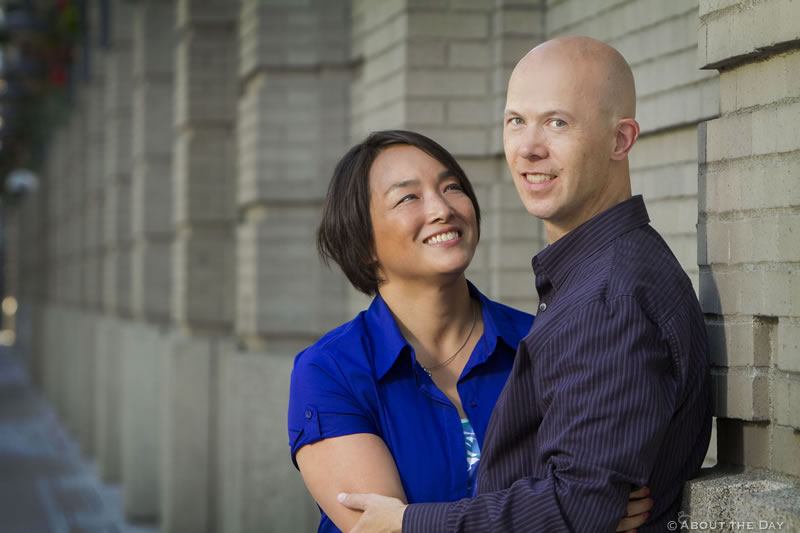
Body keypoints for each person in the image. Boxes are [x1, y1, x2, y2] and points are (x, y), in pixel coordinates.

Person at [339, 37, 712, 532]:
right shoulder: (595, 277)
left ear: (619, 141)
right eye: (516, 120)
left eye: (557, 122)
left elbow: (578, 507)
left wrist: (409, 524)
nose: (529, 147)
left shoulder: (607, 298)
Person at [287, 130, 653, 533]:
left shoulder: (545, 340)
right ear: (362, 243)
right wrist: (564, 521)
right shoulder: (331, 371)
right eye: (409, 197)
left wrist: (574, 513)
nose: (442, 208)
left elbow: (594, 494)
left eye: (452, 187)